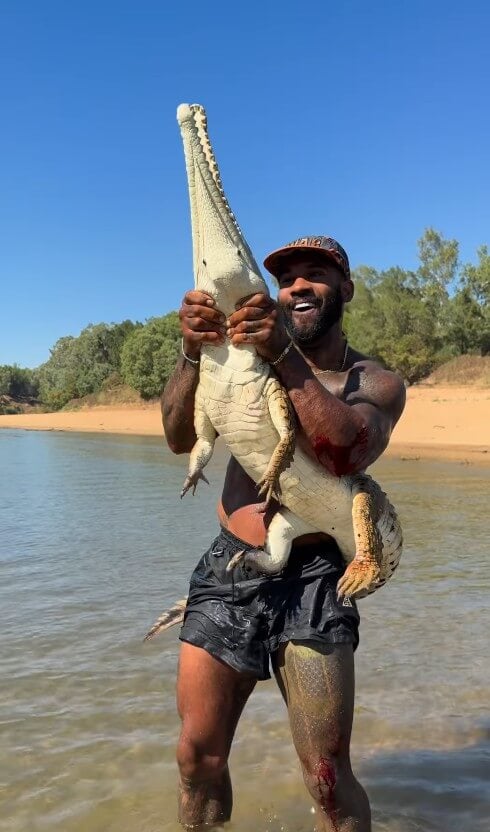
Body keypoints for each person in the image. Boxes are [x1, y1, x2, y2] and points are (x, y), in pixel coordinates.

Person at [161, 236, 406, 831]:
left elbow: (346, 450)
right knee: (196, 758)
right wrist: (193, 351)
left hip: (318, 577)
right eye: (286, 277)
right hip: (232, 564)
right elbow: (175, 435)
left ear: (344, 289)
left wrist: (284, 357)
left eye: (315, 274)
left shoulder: (372, 380)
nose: (297, 286)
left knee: (326, 774)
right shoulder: (237, 357)